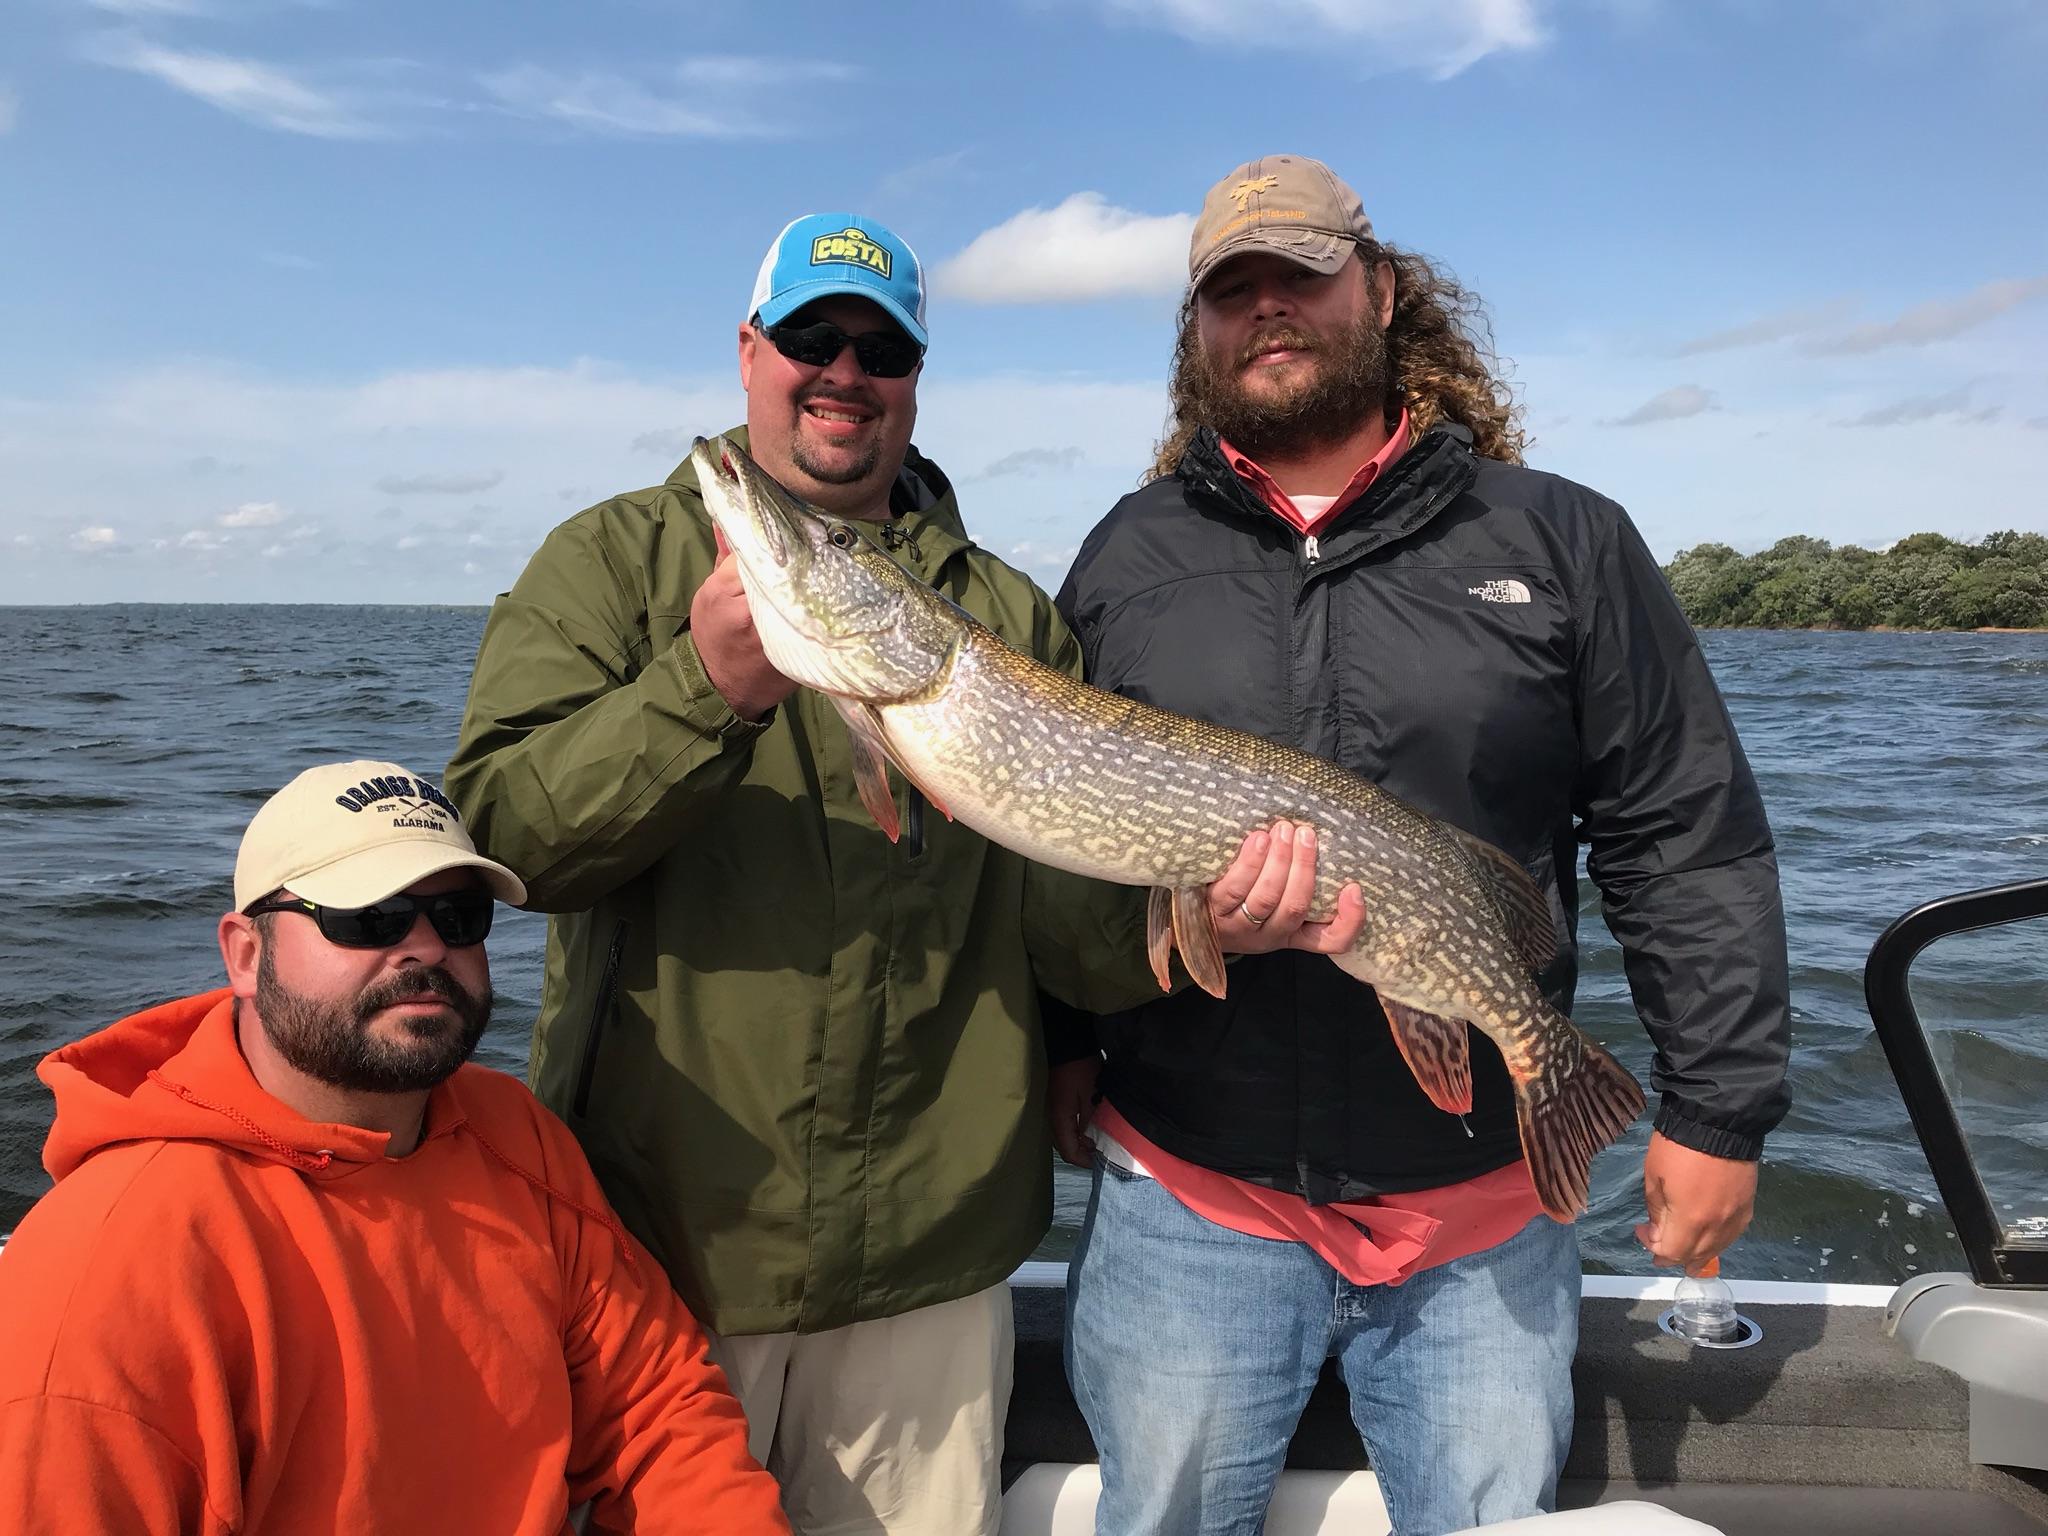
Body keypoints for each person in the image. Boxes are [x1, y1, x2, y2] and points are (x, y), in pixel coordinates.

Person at [444, 213, 1357, 1535]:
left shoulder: (1009, 612)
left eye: (882, 349)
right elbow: (506, 846)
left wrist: (1204, 922)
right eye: (812, 336)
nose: (843, 371)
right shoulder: (608, 566)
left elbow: (1069, 941)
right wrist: (707, 691)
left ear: (914, 380)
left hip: (930, 1274)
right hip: (666, 1251)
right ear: (751, 351)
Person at [1050, 155, 1792, 1536]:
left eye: (1302, 276)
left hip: (1483, 1217)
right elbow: (1059, 826)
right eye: (1232, 289)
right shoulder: (1127, 555)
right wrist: (1063, 1045)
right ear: (1197, 329)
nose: (1268, 310)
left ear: (1380, 291)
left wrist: (1718, 1108)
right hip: (1192, 1199)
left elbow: (1681, 831)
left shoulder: (1557, 536)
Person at [0, 759, 788, 1534]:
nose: (424, 949)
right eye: (367, 917)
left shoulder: (511, 1131)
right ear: (245, 953)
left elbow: (654, 1409)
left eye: (457, 919)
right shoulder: (119, 1268)